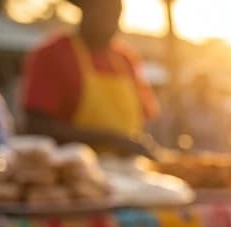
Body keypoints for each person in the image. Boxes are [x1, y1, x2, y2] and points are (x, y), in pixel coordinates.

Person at [21, 0, 157, 156]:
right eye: (104, 12)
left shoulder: (126, 60)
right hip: (69, 164)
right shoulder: (53, 54)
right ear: (85, 10)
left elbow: (144, 117)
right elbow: (36, 126)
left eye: (116, 14)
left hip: (127, 166)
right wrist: (110, 139)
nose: (112, 22)